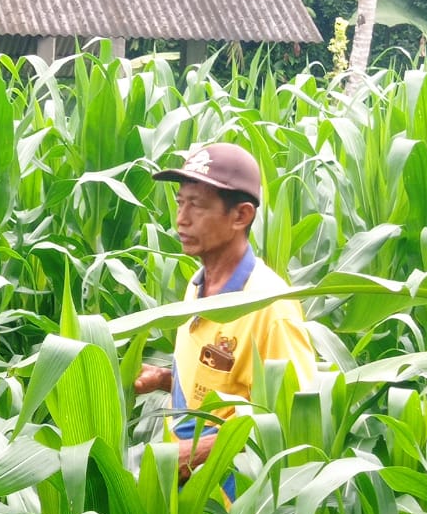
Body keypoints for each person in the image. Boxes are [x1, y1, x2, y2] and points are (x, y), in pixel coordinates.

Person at [134, 142, 315, 487]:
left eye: (197, 206)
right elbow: (219, 384)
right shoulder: (197, 286)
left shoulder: (271, 308)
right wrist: (162, 378)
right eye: (180, 203)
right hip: (188, 495)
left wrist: (197, 452)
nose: (181, 219)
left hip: (233, 506)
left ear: (241, 215)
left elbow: (293, 421)